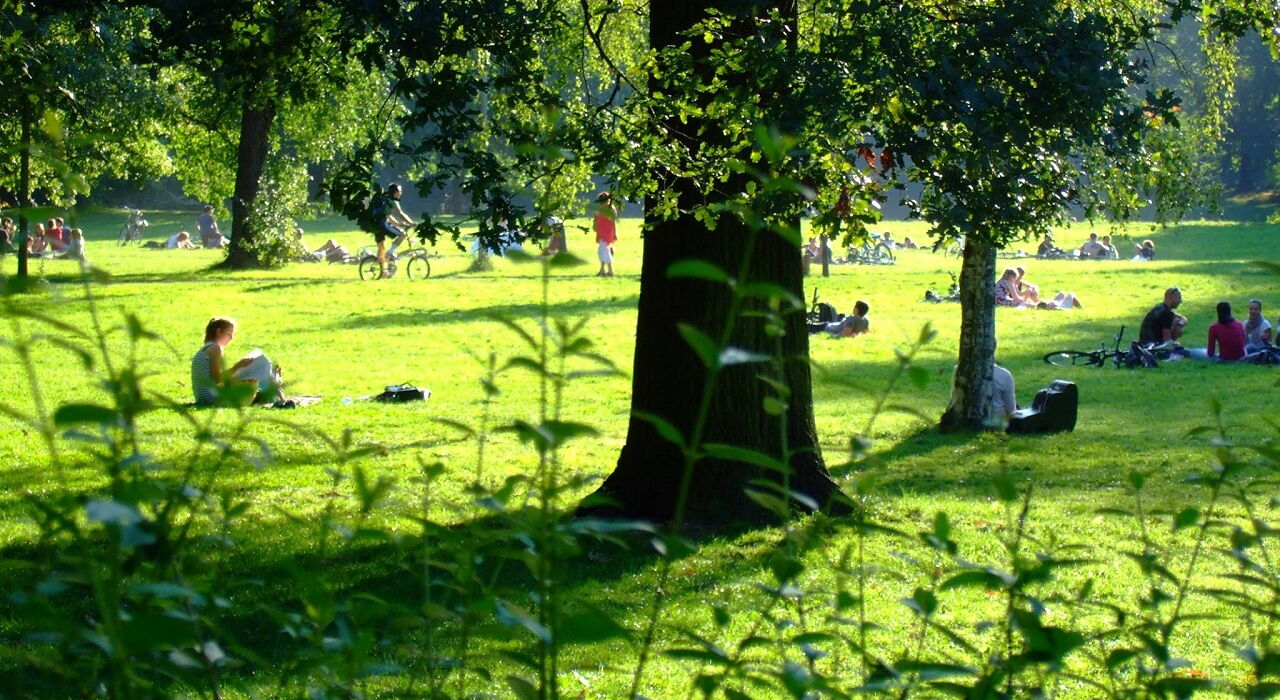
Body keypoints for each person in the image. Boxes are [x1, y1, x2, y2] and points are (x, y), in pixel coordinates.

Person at [191, 317, 260, 406]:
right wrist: (238, 366)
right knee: (256, 377)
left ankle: (265, 398)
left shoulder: (206, 348)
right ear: (219, 332)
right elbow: (218, 379)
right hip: (212, 400)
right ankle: (278, 400)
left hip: (204, 398)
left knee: (246, 379)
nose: (231, 337)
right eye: (229, 333)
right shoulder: (215, 349)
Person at [372, 182, 415, 278]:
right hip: (382, 224)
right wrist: (411, 222)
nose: (401, 193)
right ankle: (390, 253)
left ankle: (384, 270)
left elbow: (388, 215)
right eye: (400, 191)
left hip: (377, 224)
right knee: (402, 234)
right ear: (395, 192)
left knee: (383, 247)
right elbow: (401, 214)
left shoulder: (386, 199)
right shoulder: (393, 201)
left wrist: (398, 224)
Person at [593, 191, 618, 277]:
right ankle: (609, 271)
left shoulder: (609, 208)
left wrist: (615, 233)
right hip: (602, 232)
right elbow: (597, 221)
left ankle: (603, 270)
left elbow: (613, 222)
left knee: (602, 250)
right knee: (605, 251)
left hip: (606, 232)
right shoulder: (601, 209)